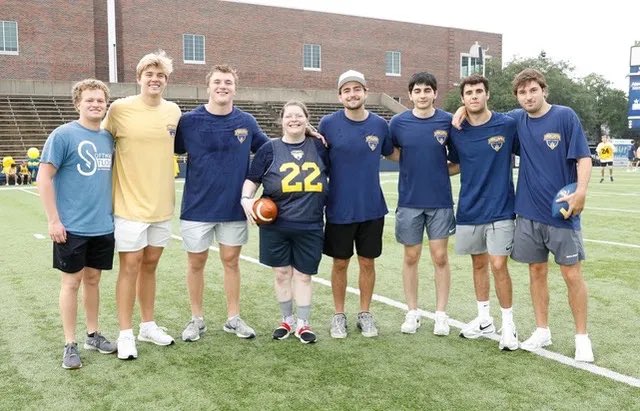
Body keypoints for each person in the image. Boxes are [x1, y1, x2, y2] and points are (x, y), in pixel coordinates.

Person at [174, 64, 269, 342]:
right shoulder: (189, 121)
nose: (222, 86)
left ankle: (233, 318)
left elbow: (268, 151)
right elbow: (169, 146)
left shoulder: (247, 122)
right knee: (196, 263)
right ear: (208, 86)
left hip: (232, 207)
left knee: (231, 262)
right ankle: (196, 319)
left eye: (228, 82)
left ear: (234, 88)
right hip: (196, 206)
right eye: (217, 82)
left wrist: (252, 187)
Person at [509, 68, 594, 362]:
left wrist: (581, 190)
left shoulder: (565, 116)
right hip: (528, 213)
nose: (528, 96)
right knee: (536, 272)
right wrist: (459, 112)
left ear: (544, 90)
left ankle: (582, 337)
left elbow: (583, 157)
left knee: (572, 274)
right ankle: (542, 330)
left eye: (533, 90)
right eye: (522, 92)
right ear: (517, 97)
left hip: (562, 211)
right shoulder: (516, 120)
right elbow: (483, 115)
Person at [102, 50, 182, 360]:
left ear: (166, 80)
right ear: (139, 78)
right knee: (130, 267)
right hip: (129, 206)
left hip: (162, 205)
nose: (155, 79)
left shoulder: (173, 111)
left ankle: (147, 326)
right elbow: (97, 137)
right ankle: (125, 334)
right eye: (149, 74)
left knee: (150, 266)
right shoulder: (120, 109)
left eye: (160, 75)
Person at [37, 79, 116, 369]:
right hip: (71, 228)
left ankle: (93, 334)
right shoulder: (63, 135)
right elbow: (43, 178)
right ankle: (69, 343)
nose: (95, 104)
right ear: (78, 104)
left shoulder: (108, 138)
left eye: (100, 100)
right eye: (89, 100)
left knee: (94, 280)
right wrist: (53, 220)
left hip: (103, 226)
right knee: (71, 283)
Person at [240, 101, 329, 344]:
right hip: (276, 224)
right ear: (281, 120)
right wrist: (246, 198)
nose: (293, 120)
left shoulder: (319, 147)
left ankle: (303, 323)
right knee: (281, 273)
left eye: (299, 116)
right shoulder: (269, 149)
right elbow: (252, 179)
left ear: (306, 119)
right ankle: (286, 319)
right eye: (289, 116)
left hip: (310, 223)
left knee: (303, 275)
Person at [319, 70, 393, 338]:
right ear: (340, 96)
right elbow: (316, 154)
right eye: (347, 90)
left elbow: (394, 153)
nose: (352, 94)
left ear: (365, 91)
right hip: (339, 207)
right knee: (340, 263)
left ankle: (365, 313)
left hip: (372, 207)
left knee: (367, 262)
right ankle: (338, 315)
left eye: (357, 89)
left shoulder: (380, 125)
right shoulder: (327, 123)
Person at [448, 74, 519, 350]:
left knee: (499, 265)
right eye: (469, 93)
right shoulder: (456, 128)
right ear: (463, 99)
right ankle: (483, 318)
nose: (474, 96)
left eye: (479, 91)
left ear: (487, 94)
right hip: (469, 208)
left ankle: (509, 324)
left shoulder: (508, 124)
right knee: (478, 264)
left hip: (501, 208)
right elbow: (454, 163)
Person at [387, 72, 455, 336]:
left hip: (439, 201)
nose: (423, 95)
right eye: (418, 90)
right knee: (411, 256)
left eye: (428, 90)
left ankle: (441, 314)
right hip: (409, 200)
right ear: (411, 94)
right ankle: (412, 312)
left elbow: (458, 159)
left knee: (440, 257)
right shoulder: (398, 122)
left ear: (435, 93)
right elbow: (391, 152)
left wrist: (437, 170)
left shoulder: (448, 121)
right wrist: (410, 165)